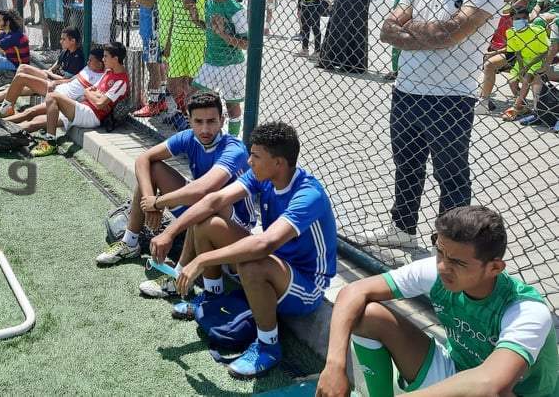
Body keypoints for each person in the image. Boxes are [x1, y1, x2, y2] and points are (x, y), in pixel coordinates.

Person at [151, 121, 337, 379]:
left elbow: (264, 244)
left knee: (253, 262)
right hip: (277, 264)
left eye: (256, 156)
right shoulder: (265, 176)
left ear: (278, 163)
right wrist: (169, 232)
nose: (249, 161)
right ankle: (212, 299)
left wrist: (202, 259)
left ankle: (268, 346)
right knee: (207, 224)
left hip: (306, 286)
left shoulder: (308, 195)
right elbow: (214, 200)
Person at [361, 0, 504, 248]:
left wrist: (418, 31)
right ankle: (402, 229)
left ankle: (449, 243)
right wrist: (435, 33)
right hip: (406, 90)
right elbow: (387, 30)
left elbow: (448, 35)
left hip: (451, 97)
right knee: (407, 165)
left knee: (450, 174)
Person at [317, 206, 557, 397]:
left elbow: (489, 384)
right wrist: (335, 365)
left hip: (505, 391)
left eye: (458, 262)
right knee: (367, 315)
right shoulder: (438, 271)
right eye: (440, 251)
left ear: (494, 267)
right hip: (457, 371)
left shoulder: (526, 311)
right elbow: (353, 291)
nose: (443, 266)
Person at [96, 92, 254, 274]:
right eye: (198, 121)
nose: (205, 129)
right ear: (189, 119)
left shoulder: (233, 149)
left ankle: (179, 274)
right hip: (203, 207)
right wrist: (149, 203)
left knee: (209, 200)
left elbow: (204, 190)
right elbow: (143, 159)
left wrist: (158, 202)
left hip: (235, 224)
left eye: (211, 121)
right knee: (153, 168)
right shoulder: (188, 137)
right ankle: (130, 242)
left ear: (222, 120)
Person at [29, 42, 129, 157]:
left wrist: (91, 94)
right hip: (82, 107)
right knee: (33, 120)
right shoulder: (108, 71)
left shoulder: (121, 81)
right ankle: (11, 131)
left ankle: (51, 143)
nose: (103, 59)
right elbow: (92, 91)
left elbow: (100, 103)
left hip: (92, 115)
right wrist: (92, 94)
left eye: (106, 56)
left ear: (115, 59)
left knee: (52, 96)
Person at [0, 27, 86, 114]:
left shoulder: (78, 57)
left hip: (56, 85)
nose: (60, 41)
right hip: (49, 79)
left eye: (63, 39)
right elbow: (55, 66)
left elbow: (67, 80)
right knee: (15, 84)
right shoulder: (66, 51)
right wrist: (48, 72)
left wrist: (48, 74)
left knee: (20, 75)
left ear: (72, 41)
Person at [189, 0, 248, 136]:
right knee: (194, 97)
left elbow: (246, 44)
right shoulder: (209, 2)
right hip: (210, 62)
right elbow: (210, 28)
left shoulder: (236, 10)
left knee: (232, 107)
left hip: (232, 66)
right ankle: (209, 134)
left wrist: (223, 35)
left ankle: (232, 140)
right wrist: (197, 21)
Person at [158, 0, 206, 131]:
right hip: (177, 38)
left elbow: (188, 4)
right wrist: (169, 39)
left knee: (193, 86)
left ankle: (193, 121)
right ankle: (178, 114)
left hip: (197, 40)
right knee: (173, 83)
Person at [128, 0, 168, 117]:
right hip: (148, 27)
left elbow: (150, 2)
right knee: (157, 64)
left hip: (153, 28)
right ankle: (160, 99)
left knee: (153, 66)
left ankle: (153, 103)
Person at [384, 0, 435, 81]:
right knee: (396, 43)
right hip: (398, 15)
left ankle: (409, 72)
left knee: (411, 43)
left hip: (413, 16)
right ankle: (396, 70)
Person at [474, 0, 518, 114]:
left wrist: (493, 52)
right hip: (491, 49)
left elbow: (515, 44)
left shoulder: (517, 15)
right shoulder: (492, 13)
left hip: (509, 51)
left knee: (489, 65)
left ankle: (483, 102)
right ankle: (479, 96)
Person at [500, 6, 550, 122]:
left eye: (524, 18)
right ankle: (523, 106)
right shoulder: (511, 32)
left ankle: (516, 108)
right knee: (512, 82)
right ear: (512, 19)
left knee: (526, 79)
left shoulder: (538, 31)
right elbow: (517, 51)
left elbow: (544, 52)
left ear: (528, 18)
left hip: (537, 60)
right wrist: (522, 66)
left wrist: (527, 67)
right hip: (522, 60)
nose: (521, 21)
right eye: (517, 18)